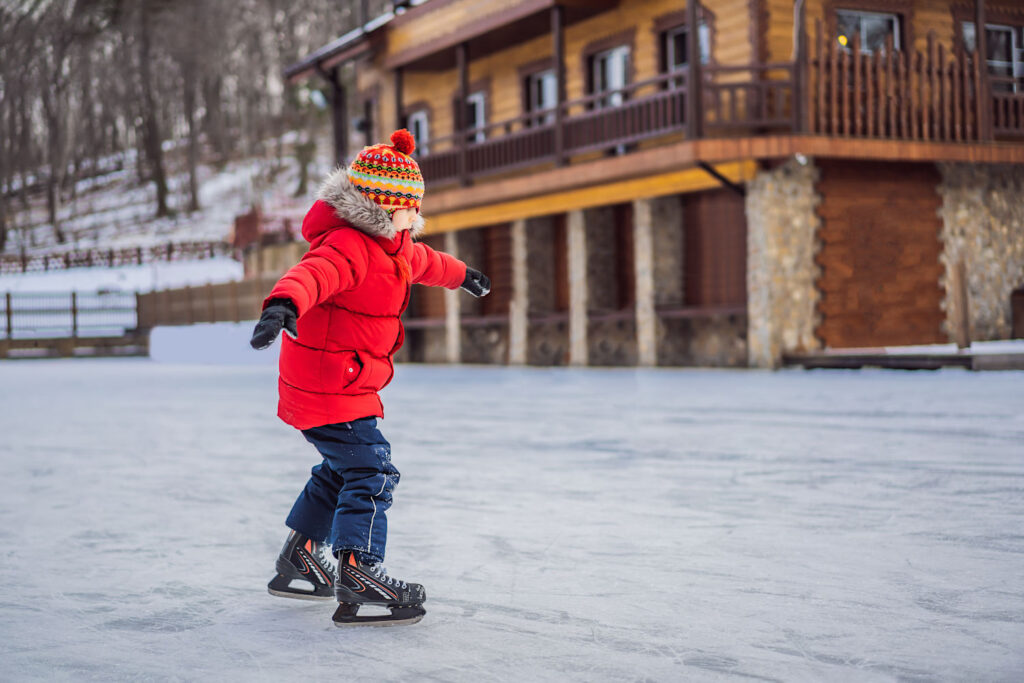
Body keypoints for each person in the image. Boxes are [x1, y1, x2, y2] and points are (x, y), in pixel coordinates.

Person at [250, 129, 490, 626]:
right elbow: (312, 274)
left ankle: (299, 558)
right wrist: (282, 303)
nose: (415, 216)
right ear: (381, 207)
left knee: (342, 469)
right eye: (409, 207)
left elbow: (426, 262)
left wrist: (463, 274)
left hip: (338, 383)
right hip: (329, 385)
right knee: (372, 469)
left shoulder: (394, 247)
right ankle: (360, 574)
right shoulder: (349, 246)